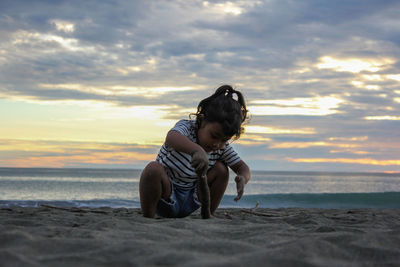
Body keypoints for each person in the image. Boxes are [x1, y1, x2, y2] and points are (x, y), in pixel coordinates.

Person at [139, 85, 251, 218]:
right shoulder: (187, 128)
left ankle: (209, 213)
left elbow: (242, 167)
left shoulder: (221, 147)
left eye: (224, 140)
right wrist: (196, 150)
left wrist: (243, 178)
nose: (217, 144)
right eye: (214, 136)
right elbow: (171, 137)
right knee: (153, 169)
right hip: (166, 195)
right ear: (202, 120)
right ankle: (148, 216)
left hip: (192, 199)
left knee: (221, 169)